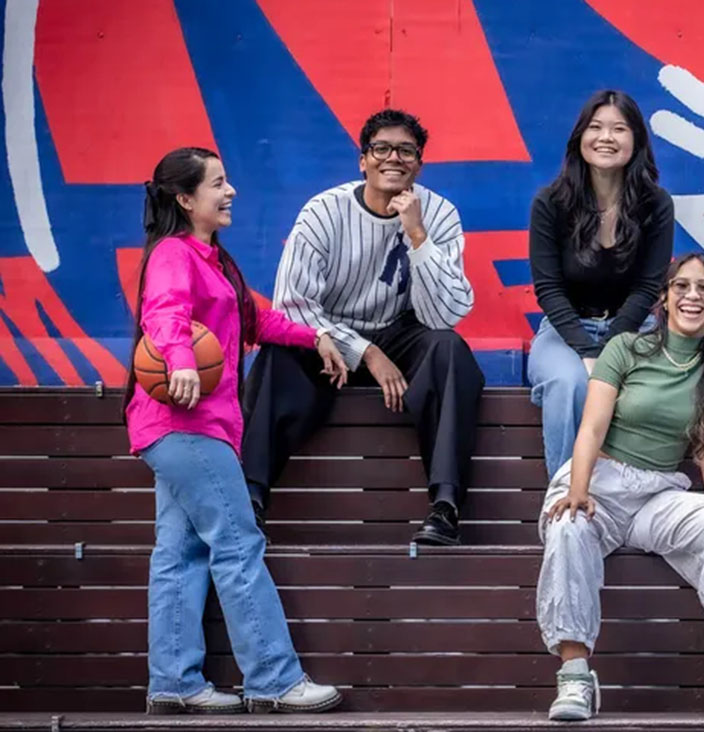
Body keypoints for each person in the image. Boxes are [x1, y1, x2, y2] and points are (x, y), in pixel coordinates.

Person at [126, 147, 344, 714]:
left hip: (177, 430)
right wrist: (177, 360)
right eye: (218, 184)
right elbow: (165, 314)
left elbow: (255, 319)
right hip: (187, 425)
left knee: (178, 552)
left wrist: (315, 338)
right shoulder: (175, 254)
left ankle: (173, 682)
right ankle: (273, 678)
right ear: (185, 198)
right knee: (238, 543)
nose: (231, 192)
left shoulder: (212, 259)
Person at [536, 253, 704, 722]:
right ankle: (575, 679)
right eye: (681, 287)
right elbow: (591, 429)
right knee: (567, 527)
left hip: (659, 492)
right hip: (600, 482)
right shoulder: (627, 348)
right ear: (663, 298)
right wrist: (579, 488)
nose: (692, 296)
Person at [241, 109, 484, 546]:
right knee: (278, 354)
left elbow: (445, 315)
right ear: (363, 160)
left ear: (419, 164)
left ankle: (445, 507)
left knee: (449, 350)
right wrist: (366, 354)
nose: (394, 158)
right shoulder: (323, 211)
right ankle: (250, 502)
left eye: (407, 151)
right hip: (329, 336)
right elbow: (292, 307)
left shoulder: (439, 214)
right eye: (382, 149)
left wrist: (418, 237)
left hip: (402, 330)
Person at [529, 89, 674, 477]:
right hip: (564, 330)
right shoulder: (551, 203)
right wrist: (586, 351)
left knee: (642, 391)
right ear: (580, 138)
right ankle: (563, 501)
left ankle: (627, 501)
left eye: (619, 129)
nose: (606, 137)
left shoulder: (655, 204)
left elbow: (648, 287)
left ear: (636, 141)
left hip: (635, 330)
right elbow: (548, 289)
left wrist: (610, 347)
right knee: (567, 383)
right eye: (595, 127)